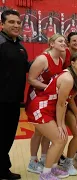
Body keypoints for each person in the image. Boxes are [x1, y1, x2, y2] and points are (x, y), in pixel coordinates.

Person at [26, 52, 77, 179]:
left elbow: (63, 104)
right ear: (73, 63)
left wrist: (61, 125)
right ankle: (45, 174)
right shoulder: (68, 78)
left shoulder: (74, 76)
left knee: (63, 137)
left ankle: (53, 168)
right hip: (41, 108)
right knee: (59, 139)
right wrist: (60, 125)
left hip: (49, 108)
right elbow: (60, 104)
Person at [26, 34, 65, 174]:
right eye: (60, 41)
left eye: (64, 41)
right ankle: (32, 161)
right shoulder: (43, 59)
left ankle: (43, 158)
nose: (63, 43)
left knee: (45, 132)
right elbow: (31, 79)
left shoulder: (60, 59)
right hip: (36, 98)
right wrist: (49, 87)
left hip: (48, 99)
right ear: (52, 43)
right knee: (38, 132)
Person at [0, 9, 30, 180]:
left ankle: (3, 169)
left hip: (13, 101)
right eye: (11, 22)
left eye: (18, 22)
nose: (16, 25)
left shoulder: (18, 45)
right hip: (1, 101)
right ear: (2, 24)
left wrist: (46, 60)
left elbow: (25, 67)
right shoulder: (1, 43)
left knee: (6, 138)